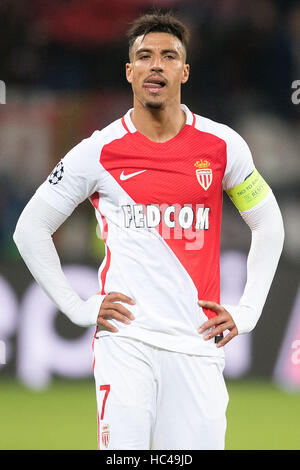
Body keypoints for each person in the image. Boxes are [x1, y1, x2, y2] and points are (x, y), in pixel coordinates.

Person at [13, 12, 284, 450]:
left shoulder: (222, 146)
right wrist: (75, 306)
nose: (155, 64)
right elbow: (31, 229)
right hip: (127, 343)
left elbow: (268, 222)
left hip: (198, 347)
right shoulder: (98, 150)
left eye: (168, 56)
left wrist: (249, 310)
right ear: (130, 71)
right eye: (144, 56)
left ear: (184, 71)